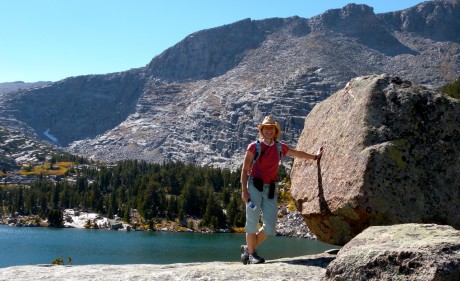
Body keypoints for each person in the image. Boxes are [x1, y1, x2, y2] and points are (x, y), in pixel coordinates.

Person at [240, 115, 323, 264]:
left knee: (270, 225)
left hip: (270, 188)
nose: (269, 130)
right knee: (252, 222)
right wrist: (244, 191)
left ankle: (248, 249)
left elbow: (296, 153)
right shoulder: (254, 146)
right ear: (262, 130)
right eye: (266, 128)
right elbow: (245, 169)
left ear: (275, 130)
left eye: (271, 128)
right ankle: (252, 255)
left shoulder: (280, 146)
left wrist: (315, 157)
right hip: (254, 186)